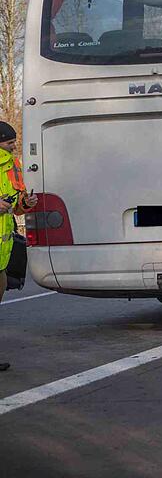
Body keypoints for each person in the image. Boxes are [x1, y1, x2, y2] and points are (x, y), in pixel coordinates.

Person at [0, 121, 38, 371]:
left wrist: (27, 203)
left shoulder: (13, 165)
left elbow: (16, 204)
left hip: (2, 249)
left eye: (14, 142)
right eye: (8, 142)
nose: (13, 146)